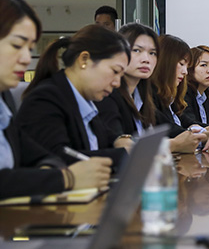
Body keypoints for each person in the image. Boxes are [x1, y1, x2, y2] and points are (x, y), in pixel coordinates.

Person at [0, 0, 111, 199]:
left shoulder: (3, 102)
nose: (26, 59)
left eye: (30, 49)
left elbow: (43, 156)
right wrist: (66, 178)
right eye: (16, 46)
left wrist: (43, 175)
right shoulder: (47, 97)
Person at [17, 24, 133, 164]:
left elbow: (105, 137)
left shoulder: (85, 102)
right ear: (84, 60)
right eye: (115, 71)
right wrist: (122, 155)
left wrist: (118, 140)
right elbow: (57, 159)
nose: (117, 83)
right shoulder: (45, 100)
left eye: (121, 76)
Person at [151, 35, 209, 152]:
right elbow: (172, 128)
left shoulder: (204, 96)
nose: (185, 72)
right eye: (181, 64)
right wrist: (203, 134)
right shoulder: (153, 94)